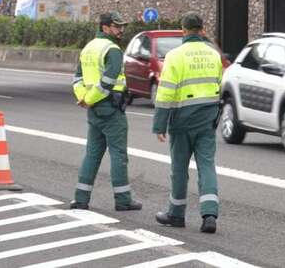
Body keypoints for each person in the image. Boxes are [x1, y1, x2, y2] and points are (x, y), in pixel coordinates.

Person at [153, 12, 223, 233]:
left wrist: (159, 125)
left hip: (182, 119)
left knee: (179, 168)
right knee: (206, 165)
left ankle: (176, 214)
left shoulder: (175, 56)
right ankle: (209, 214)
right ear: (202, 30)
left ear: (183, 31)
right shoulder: (213, 55)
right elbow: (219, 84)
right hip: (207, 118)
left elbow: (165, 93)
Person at [70, 12, 142, 212]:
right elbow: (108, 82)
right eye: (117, 26)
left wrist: (84, 98)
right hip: (111, 109)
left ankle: (81, 199)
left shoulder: (88, 48)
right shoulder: (113, 50)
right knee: (119, 155)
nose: (121, 30)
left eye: (122, 26)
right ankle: (123, 200)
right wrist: (90, 98)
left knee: (92, 154)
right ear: (105, 27)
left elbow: (77, 78)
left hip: (93, 110)